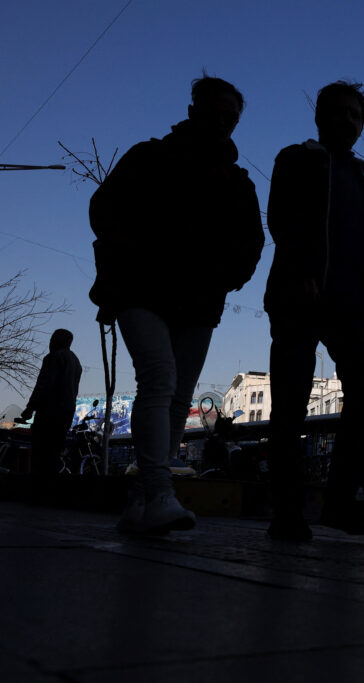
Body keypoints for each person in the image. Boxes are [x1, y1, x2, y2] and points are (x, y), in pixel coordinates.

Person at [89, 75, 264, 534]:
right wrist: (131, 257)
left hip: (200, 299)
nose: (223, 122)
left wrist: (225, 277)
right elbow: (103, 209)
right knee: (159, 379)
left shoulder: (236, 182)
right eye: (215, 112)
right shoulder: (149, 157)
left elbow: (251, 240)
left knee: (177, 393)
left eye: (231, 117)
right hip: (140, 289)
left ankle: (142, 501)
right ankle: (160, 492)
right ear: (193, 111)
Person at [264, 79, 364, 541]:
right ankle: (287, 513)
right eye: (341, 111)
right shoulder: (296, 159)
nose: (349, 120)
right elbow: (281, 219)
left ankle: (340, 504)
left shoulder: (360, 179)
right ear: (320, 116)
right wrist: (300, 270)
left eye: (356, 115)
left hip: (350, 304)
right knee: (290, 402)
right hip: (298, 295)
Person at [21, 329, 82, 475]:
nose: (50, 343)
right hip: (66, 413)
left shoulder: (54, 357)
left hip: (50, 412)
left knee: (41, 453)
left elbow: (44, 384)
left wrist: (30, 407)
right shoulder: (76, 361)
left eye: (51, 339)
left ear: (56, 341)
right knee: (54, 453)